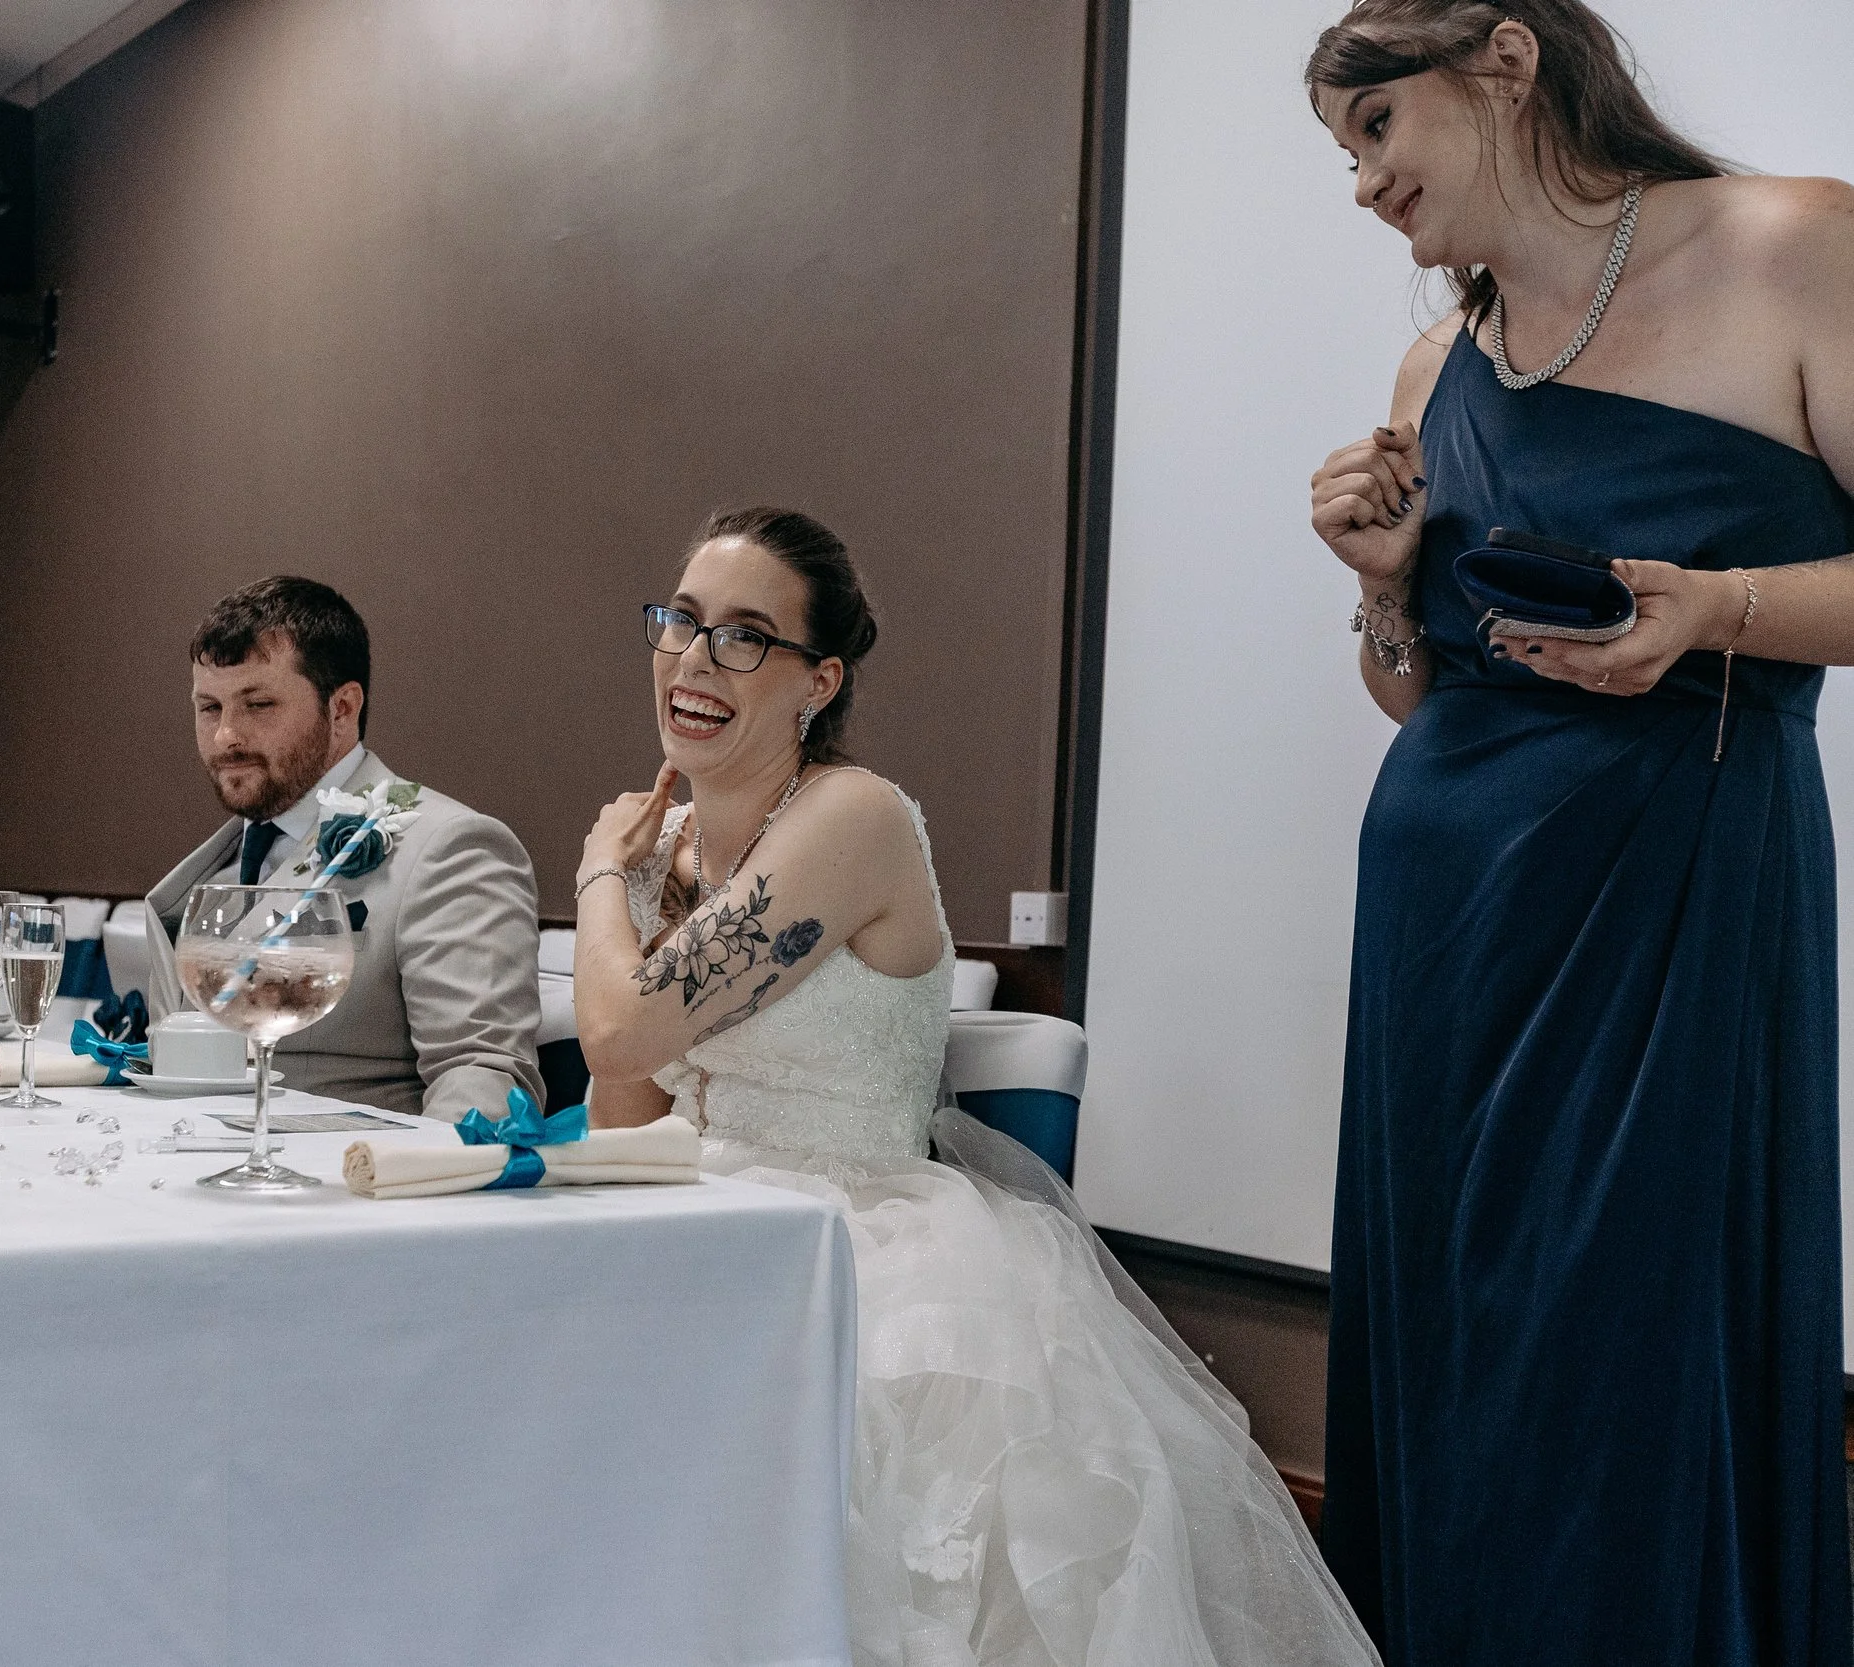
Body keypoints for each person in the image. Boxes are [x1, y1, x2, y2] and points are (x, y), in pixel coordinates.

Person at [574, 509, 1375, 1667]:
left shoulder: (853, 817)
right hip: (708, 1214)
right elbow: (630, 1101)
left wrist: (603, 866)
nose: (695, 659)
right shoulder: (680, 841)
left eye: (745, 636)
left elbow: (611, 1030)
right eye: (683, 622)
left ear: (820, 679)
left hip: (859, 1239)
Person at [1306, 4, 1854, 1662]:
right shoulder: (1439, 364)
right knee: (1464, 1340)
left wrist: (1721, 610)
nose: (1363, 184)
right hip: (1448, 918)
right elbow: (1419, 696)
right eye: (1344, 155)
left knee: (1622, 1336)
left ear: (1509, 59)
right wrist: (1389, 592)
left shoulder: (1794, 248)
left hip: (1676, 885)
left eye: (1378, 127)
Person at [142, 576, 544, 1122]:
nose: (225, 737)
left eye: (258, 704)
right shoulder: (221, 862)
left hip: (346, 1186)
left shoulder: (451, 848)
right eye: (210, 707)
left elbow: (482, 1077)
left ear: (342, 709)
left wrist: (404, 1192)